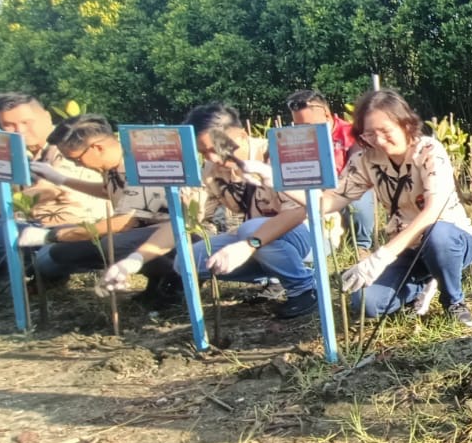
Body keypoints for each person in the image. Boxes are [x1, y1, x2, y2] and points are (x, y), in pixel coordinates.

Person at [207, 89, 472, 327]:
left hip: (450, 240)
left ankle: (453, 299)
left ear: (405, 123)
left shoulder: (429, 151)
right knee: (366, 304)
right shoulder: (365, 160)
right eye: (370, 134)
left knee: (437, 236)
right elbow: (327, 202)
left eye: (386, 131)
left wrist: (381, 256)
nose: (379, 141)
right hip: (407, 248)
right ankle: (420, 283)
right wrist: (274, 180)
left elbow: (431, 212)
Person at [102, 103, 320, 319]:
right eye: (204, 152)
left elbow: (299, 211)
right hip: (258, 239)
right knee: (186, 261)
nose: (213, 159)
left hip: (311, 235)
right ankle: (277, 274)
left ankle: (304, 288)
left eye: (216, 149)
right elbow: (184, 222)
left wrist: (247, 245)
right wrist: (135, 259)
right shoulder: (211, 171)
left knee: (249, 228)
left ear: (243, 136)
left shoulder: (277, 153)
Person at [24, 114, 180, 303]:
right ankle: (156, 281)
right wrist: (61, 179)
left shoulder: (139, 164)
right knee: (63, 251)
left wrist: (53, 235)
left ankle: (173, 280)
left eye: (77, 159)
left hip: (173, 237)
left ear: (97, 148)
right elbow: (111, 191)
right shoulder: (113, 167)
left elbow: (123, 222)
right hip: (143, 233)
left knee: (113, 244)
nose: (76, 164)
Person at [0, 93, 107, 271]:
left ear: (47, 117)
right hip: (34, 228)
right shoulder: (23, 153)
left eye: (26, 122)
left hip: (74, 230)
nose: (19, 131)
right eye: (8, 125)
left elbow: (47, 190)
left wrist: (6, 204)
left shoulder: (67, 144)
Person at [286, 89, 375, 254]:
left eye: (307, 126)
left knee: (358, 204)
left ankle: (361, 246)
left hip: (347, 186)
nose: (303, 131)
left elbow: (356, 172)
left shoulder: (350, 133)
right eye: (298, 126)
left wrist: (331, 190)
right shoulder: (295, 139)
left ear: (327, 115)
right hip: (313, 189)